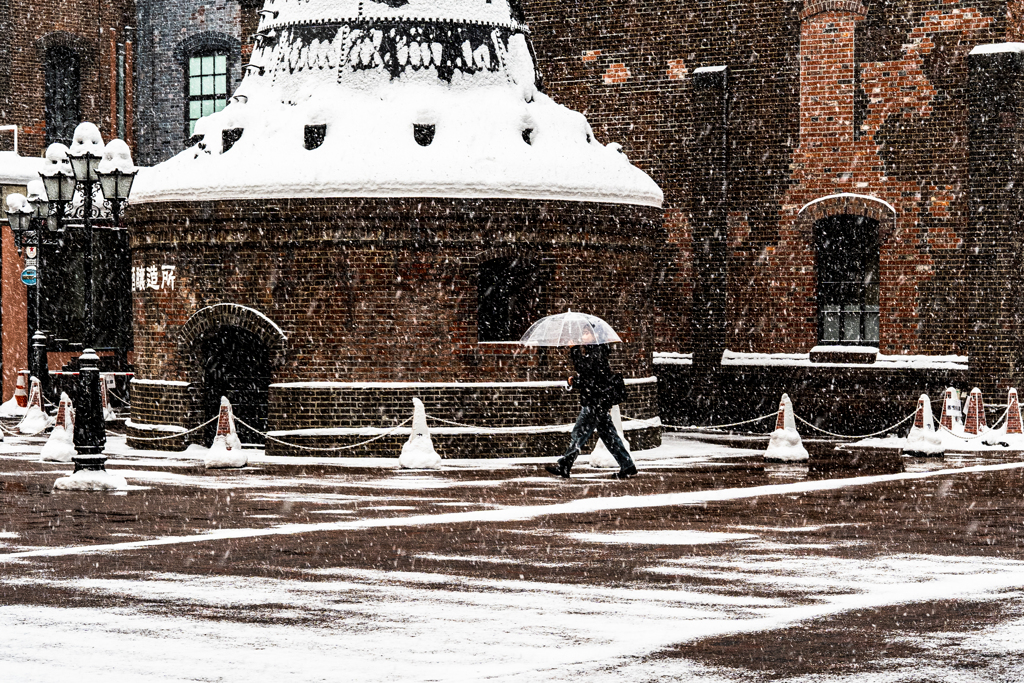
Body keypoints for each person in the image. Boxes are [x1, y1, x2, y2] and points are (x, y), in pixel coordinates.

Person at [545, 328, 638, 480]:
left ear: (596, 336)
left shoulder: (597, 353)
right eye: (583, 333)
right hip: (598, 402)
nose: (583, 336)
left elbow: (586, 372)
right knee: (609, 436)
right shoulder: (595, 352)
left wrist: (574, 350)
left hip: (595, 403)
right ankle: (627, 465)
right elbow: (591, 379)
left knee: (579, 434)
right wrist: (576, 381)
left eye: (586, 333)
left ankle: (565, 465)